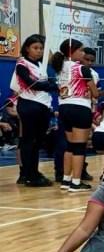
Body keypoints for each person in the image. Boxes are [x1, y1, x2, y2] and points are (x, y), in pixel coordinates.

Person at [11, 34, 58, 186]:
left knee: (38, 142)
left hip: (42, 106)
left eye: (41, 48)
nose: (39, 51)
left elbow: (48, 82)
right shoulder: (22, 64)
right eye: (35, 48)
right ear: (27, 48)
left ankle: (34, 171)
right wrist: (51, 86)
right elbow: (32, 84)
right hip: (29, 105)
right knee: (29, 140)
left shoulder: (41, 66)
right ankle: (28, 174)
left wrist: (53, 83)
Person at [52, 37, 98, 192]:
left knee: (70, 146)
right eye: (81, 50)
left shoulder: (59, 68)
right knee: (79, 147)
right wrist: (89, 92)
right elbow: (96, 93)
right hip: (80, 108)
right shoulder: (82, 69)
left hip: (64, 108)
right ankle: (76, 183)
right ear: (72, 52)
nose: (83, 53)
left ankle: (66, 180)